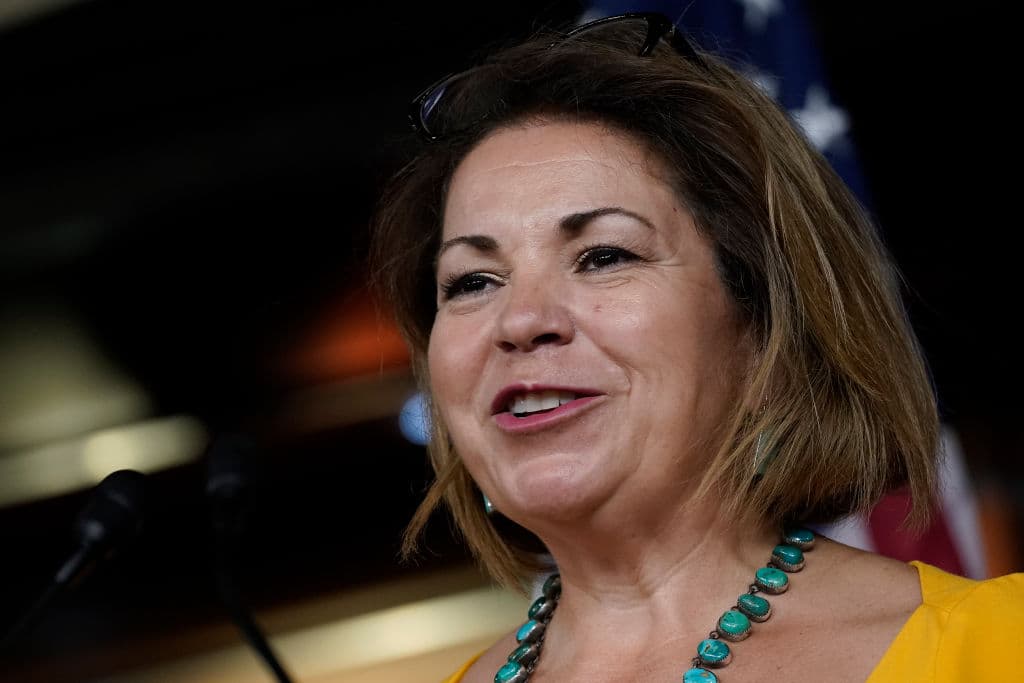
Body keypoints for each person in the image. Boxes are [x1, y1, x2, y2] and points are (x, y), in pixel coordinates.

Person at [369, 13, 1023, 683]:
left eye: (603, 255)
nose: (521, 320)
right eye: (473, 281)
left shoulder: (1002, 645)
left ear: (761, 327)